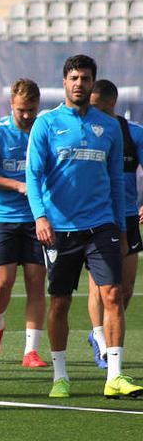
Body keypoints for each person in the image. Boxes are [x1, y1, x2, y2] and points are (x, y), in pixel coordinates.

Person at [26, 54, 142, 398]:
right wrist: (40, 216)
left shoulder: (108, 127)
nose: (79, 83)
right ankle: (60, 375)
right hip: (60, 229)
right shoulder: (46, 124)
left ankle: (115, 376)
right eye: (74, 77)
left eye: (85, 78)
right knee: (60, 303)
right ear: (64, 82)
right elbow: (33, 175)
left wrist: (121, 227)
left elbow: (117, 180)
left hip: (102, 226)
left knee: (113, 296)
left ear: (93, 83)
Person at [0, 78, 48, 368]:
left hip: (37, 218)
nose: (27, 116)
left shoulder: (45, 131)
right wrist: (17, 186)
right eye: (21, 110)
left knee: (35, 283)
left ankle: (31, 350)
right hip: (4, 218)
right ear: (11, 106)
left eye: (31, 110)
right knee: (2, 285)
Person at [85, 79, 143, 369]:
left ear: (113, 105)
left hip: (128, 216)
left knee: (126, 288)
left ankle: (105, 330)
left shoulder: (133, 134)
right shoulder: (85, 132)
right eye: (93, 107)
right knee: (102, 286)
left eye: (102, 108)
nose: (97, 114)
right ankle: (101, 339)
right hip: (97, 217)